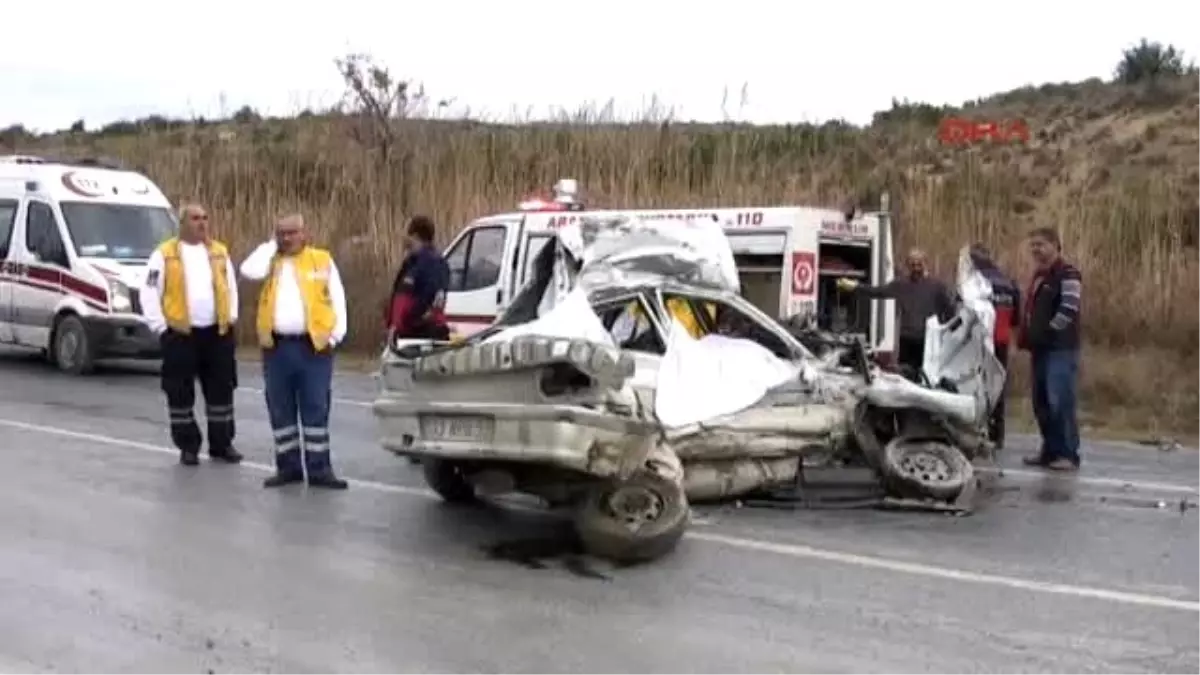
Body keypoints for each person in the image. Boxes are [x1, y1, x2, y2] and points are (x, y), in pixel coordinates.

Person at [240, 212, 349, 489]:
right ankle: (288, 467)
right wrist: (269, 246)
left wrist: (335, 337)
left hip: (313, 347)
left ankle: (320, 469)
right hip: (276, 347)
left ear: (304, 233)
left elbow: (337, 298)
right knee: (280, 408)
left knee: (316, 407)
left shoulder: (321, 260)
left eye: (292, 232)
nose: (287, 238)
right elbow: (248, 270)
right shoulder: (271, 261)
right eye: (282, 233)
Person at [140, 203, 243, 466]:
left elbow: (230, 287)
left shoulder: (219, 252)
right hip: (181, 334)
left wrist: (230, 319)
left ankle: (222, 444)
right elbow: (150, 292)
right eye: (196, 218)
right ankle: (188, 445)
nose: (202, 223)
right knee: (180, 392)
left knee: (222, 389)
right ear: (183, 223)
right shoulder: (164, 255)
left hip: (216, 333)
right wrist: (161, 328)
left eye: (205, 218)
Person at [1018, 227, 1083, 471]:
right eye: (1033, 245)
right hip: (1040, 349)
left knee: (1060, 400)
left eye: (1041, 244)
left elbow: (1069, 309)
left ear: (1056, 246)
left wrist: (1048, 331)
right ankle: (1050, 451)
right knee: (1041, 402)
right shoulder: (1039, 277)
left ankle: (1068, 454)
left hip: (1061, 349)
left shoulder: (1068, 274)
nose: (1036, 249)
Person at [836, 248, 956, 377]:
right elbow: (877, 291)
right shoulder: (900, 285)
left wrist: (950, 331)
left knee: (928, 375)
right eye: (912, 265)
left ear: (926, 264)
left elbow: (949, 310)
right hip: (906, 339)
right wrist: (855, 287)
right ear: (907, 266)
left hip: (928, 340)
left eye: (919, 264)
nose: (916, 268)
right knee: (905, 375)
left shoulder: (937, 286)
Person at [969, 244, 1021, 449]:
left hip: (979, 342)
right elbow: (1016, 318)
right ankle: (997, 433)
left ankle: (978, 431)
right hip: (1001, 341)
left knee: (976, 387)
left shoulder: (973, 284)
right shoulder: (1009, 283)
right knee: (997, 387)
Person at [386, 216, 450, 340]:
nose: (404, 239)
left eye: (407, 234)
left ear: (415, 236)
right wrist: (392, 324)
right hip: (405, 334)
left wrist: (408, 320)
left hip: (422, 335)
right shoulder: (411, 263)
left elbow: (430, 297)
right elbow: (399, 295)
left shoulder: (433, 262)